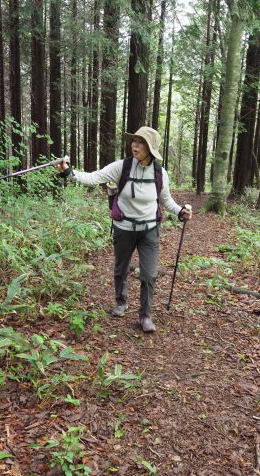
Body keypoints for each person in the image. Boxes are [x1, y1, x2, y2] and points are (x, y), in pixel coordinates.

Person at [56, 126, 192, 332]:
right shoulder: (122, 166)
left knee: (149, 274)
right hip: (124, 228)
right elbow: (94, 177)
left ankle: (145, 316)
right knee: (121, 268)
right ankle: (121, 302)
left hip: (149, 230)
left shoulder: (159, 173)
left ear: (151, 148)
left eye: (141, 142)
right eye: (134, 141)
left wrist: (180, 211)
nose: (135, 145)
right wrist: (69, 172)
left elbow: (165, 200)